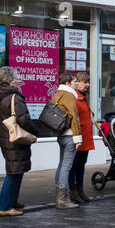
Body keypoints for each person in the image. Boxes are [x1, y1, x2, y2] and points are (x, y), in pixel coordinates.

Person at [0, 67, 39, 216]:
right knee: (13, 173)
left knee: (16, 170)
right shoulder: (14, 97)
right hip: (15, 139)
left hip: (6, 137)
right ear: (11, 80)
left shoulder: (0, 95)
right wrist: (36, 131)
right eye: (17, 77)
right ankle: (5, 207)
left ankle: (12, 200)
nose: (19, 80)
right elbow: (24, 120)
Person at [53, 73, 82, 209]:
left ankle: (59, 195)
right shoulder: (69, 95)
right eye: (75, 81)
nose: (77, 83)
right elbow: (74, 117)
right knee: (66, 166)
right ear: (68, 83)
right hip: (70, 135)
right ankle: (62, 199)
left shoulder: (57, 94)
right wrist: (78, 138)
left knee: (61, 165)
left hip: (61, 134)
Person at [68, 72, 95, 203]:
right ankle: (73, 190)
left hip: (85, 137)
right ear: (77, 83)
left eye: (88, 82)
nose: (87, 85)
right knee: (74, 165)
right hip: (78, 137)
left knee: (81, 165)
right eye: (84, 82)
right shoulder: (74, 97)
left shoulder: (84, 97)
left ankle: (80, 189)